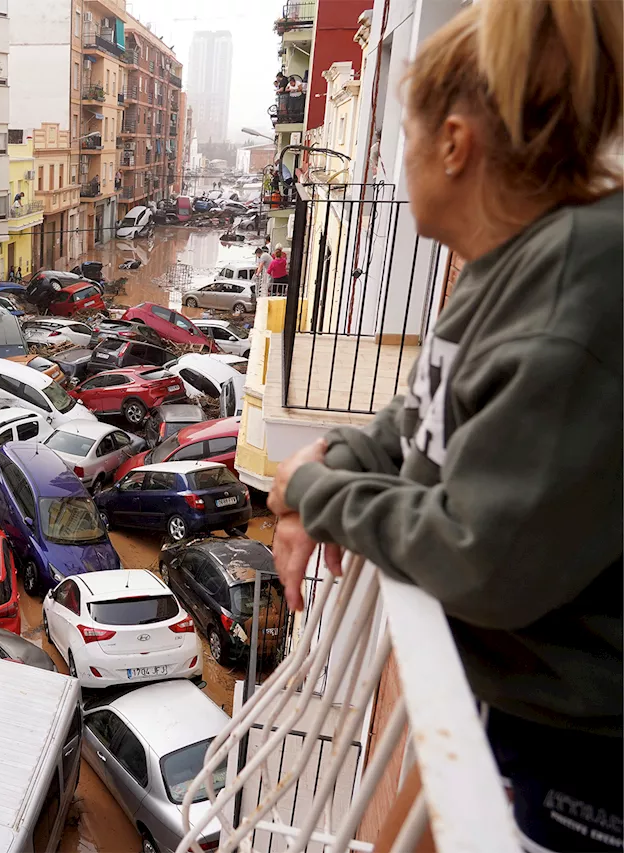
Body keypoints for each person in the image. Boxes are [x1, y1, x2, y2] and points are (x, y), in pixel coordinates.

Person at [266, 1, 621, 850]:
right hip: (520, 714)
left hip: (579, 765)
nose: (401, 158)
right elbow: (423, 410)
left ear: (456, 144)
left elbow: (479, 555)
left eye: (406, 134)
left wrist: (315, 487)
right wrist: (342, 454)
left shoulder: (581, 282)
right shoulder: (518, 265)